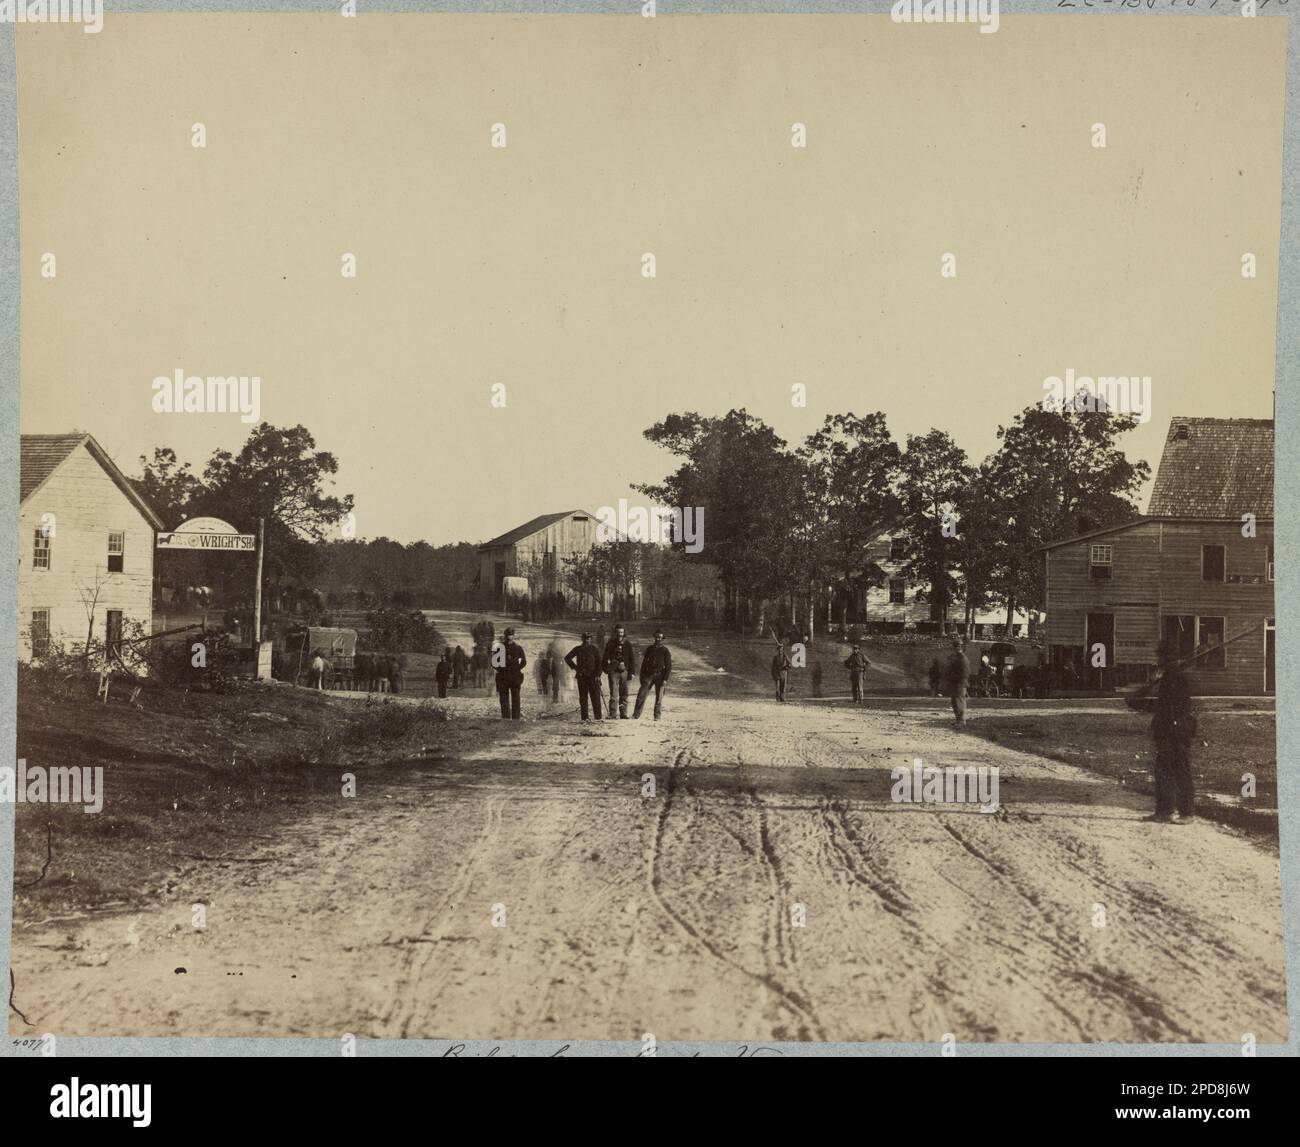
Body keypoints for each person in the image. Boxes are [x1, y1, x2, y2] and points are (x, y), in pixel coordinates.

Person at [1127, 642, 1197, 824]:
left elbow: (1168, 706)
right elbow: (1163, 704)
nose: (1158, 660)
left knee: (1180, 770)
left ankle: (1187, 813)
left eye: (1161, 657)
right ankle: (1164, 811)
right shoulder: (1168, 677)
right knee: (1164, 771)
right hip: (1166, 730)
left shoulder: (1176, 678)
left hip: (1176, 730)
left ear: (1168, 659)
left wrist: (1139, 703)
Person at [565, 632, 604, 722]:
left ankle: (598, 717)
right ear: (582, 639)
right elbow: (567, 658)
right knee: (583, 698)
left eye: (589, 638)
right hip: (582, 677)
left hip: (593, 677)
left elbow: (599, 663)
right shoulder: (578, 649)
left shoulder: (595, 649)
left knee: (596, 698)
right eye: (585, 638)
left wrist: (598, 675)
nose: (587, 640)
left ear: (591, 639)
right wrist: (575, 668)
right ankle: (584, 717)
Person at [634, 630, 672, 720]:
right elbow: (644, 663)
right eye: (656, 637)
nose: (658, 639)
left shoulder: (665, 651)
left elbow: (668, 666)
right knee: (641, 695)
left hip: (660, 676)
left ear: (662, 639)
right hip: (648, 676)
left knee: (659, 697)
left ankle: (657, 716)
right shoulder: (649, 649)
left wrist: (665, 679)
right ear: (654, 637)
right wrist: (642, 676)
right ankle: (636, 715)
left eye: (660, 638)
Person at [602, 624, 636, 719]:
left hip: (625, 672)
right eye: (618, 632)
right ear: (615, 633)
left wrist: (632, 672)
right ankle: (612, 714)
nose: (620, 634)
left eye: (621, 632)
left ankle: (623, 714)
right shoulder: (610, 643)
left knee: (624, 693)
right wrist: (606, 669)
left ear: (624, 633)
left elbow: (631, 659)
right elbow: (605, 657)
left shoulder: (627, 644)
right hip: (613, 672)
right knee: (613, 694)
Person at [495, 627, 527, 720]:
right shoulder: (516, 648)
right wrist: (517, 668)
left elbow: (524, 661)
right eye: (509, 635)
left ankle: (511, 718)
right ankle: (511, 718)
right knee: (508, 697)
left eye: (511, 635)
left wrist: (501, 669)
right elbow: (493, 662)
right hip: (508, 676)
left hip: (509, 676)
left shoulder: (502, 648)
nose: (510, 637)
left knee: (512, 698)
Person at [944, 638, 970, 724]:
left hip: (960, 683)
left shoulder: (962, 658)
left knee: (959, 701)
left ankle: (961, 720)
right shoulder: (956, 657)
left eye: (957, 646)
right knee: (955, 701)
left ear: (960, 647)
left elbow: (964, 673)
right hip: (955, 683)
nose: (955, 648)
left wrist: (955, 678)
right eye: (955, 646)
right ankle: (958, 720)